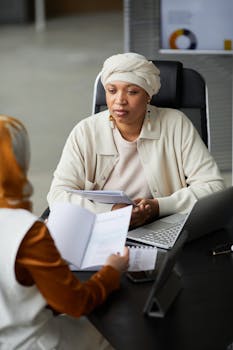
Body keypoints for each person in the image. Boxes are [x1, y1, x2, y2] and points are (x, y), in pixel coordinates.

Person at [47, 52, 225, 229]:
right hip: (101, 226)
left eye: (132, 91)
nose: (120, 100)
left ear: (148, 95)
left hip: (162, 227)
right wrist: (112, 211)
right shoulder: (86, 131)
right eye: (112, 90)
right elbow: (58, 194)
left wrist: (157, 207)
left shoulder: (176, 124)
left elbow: (213, 187)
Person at [0, 114, 129, 349]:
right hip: (30, 342)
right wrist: (111, 271)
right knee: (114, 332)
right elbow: (75, 303)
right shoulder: (26, 231)